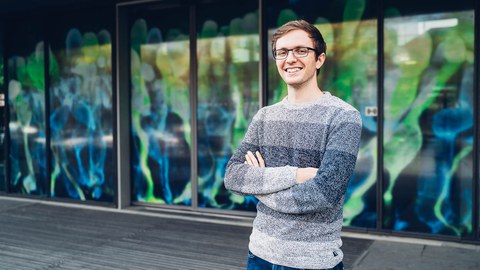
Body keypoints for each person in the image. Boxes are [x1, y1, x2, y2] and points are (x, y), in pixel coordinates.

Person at [223, 19, 362, 270]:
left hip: (313, 261)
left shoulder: (343, 117)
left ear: (319, 59)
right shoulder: (264, 116)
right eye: (282, 52)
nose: (290, 59)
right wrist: (295, 175)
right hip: (259, 254)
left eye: (301, 50)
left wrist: (260, 184)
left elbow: (323, 193)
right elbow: (233, 176)